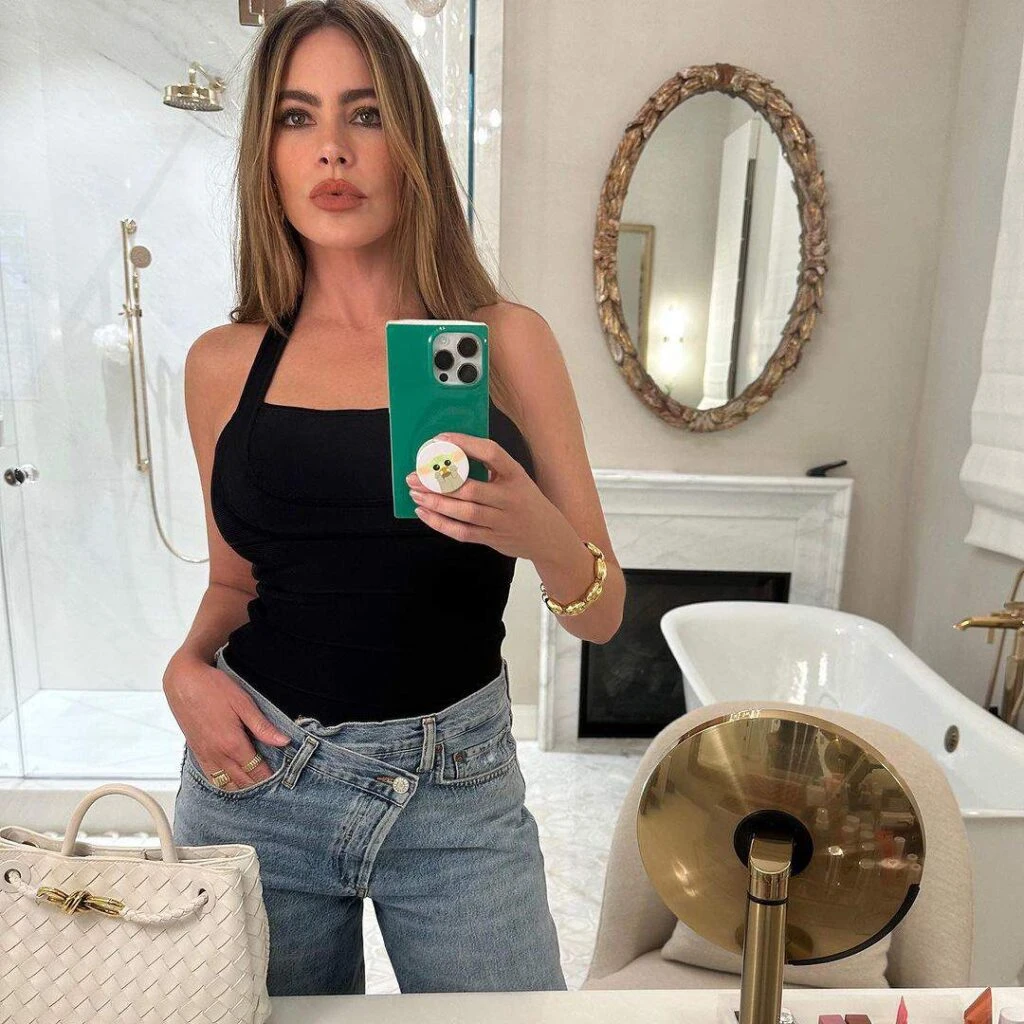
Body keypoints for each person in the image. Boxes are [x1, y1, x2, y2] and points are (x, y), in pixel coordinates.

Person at [164, 0, 624, 998]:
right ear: (267, 156)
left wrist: (538, 531)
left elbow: (601, 612)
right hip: (259, 782)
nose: (333, 148)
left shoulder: (508, 341)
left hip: (459, 794)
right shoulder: (222, 364)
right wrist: (184, 669)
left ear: (410, 142)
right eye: (297, 117)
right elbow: (234, 583)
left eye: (365, 114)